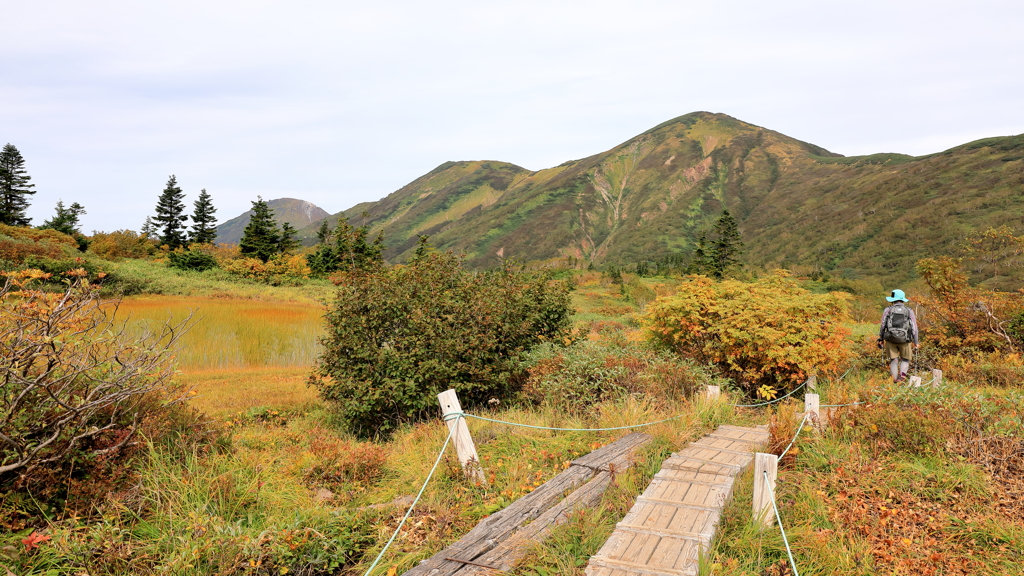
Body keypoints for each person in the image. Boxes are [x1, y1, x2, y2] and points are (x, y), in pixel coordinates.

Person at [877, 289, 919, 382]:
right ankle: (902, 378)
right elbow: (914, 327)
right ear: (903, 299)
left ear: (893, 299)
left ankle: (894, 381)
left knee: (893, 360)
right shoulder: (909, 311)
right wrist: (916, 341)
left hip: (890, 339)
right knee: (905, 359)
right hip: (905, 339)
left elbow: (883, 325)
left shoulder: (888, 310)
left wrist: (881, 338)